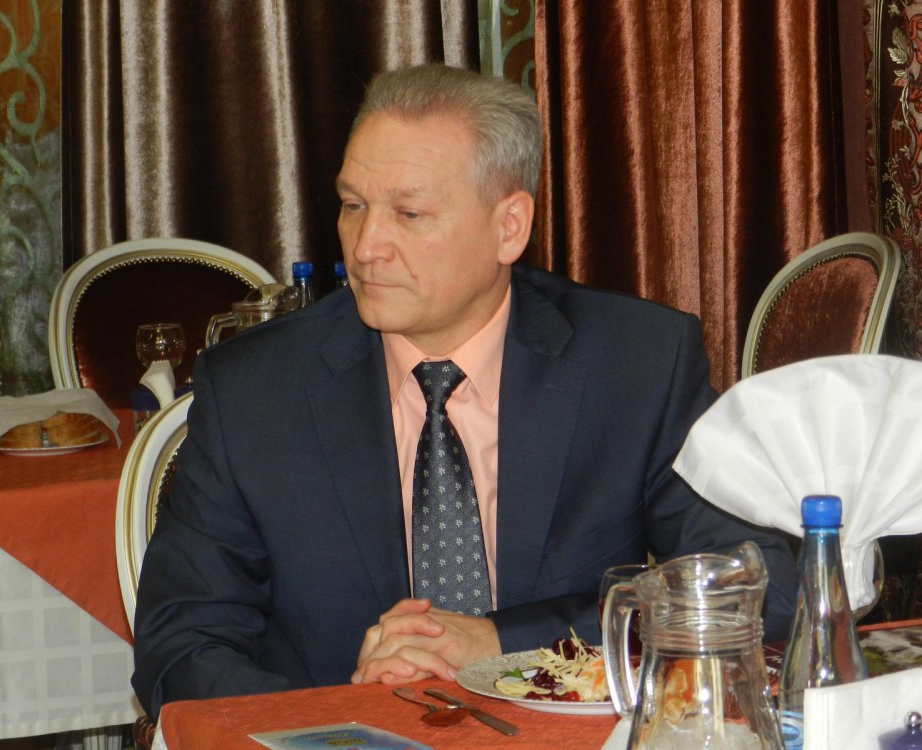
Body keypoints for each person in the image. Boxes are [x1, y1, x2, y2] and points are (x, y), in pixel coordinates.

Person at [131, 63, 797, 717]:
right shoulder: (256, 391)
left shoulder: (633, 363)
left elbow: (758, 585)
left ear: (509, 227)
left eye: (409, 213)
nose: (366, 247)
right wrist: (335, 721)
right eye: (353, 206)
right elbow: (180, 645)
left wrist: (502, 643)